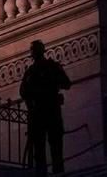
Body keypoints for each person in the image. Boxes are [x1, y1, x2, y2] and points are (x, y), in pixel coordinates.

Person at [19, 39, 71, 175]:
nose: (33, 53)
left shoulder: (49, 68)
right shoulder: (32, 72)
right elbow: (23, 92)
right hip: (40, 113)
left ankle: (55, 171)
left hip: (48, 111)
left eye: (34, 50)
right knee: (43, 148)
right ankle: (48, 172)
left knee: (53, 146)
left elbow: (66, 83)